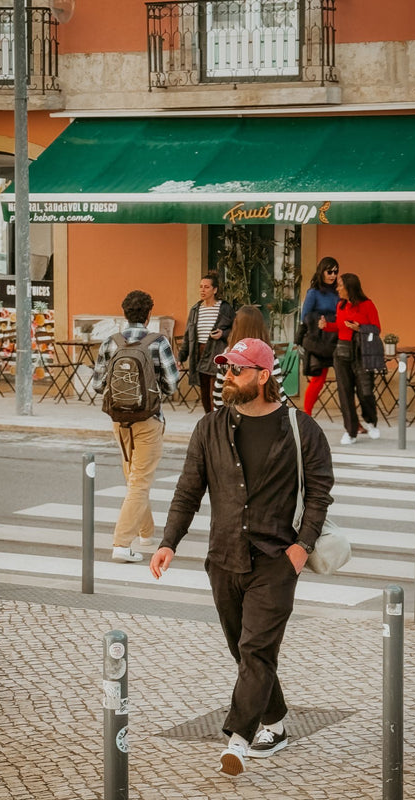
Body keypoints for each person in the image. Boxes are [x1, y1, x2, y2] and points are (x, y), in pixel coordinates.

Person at [150, 338, 333, 777]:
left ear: (264, 376)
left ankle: (238, 738)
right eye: (226, 369)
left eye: (237, 370)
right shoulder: (210, 427)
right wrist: (168, 541)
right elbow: (188, 490)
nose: (227, 377)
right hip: (224, 558)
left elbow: (320, 493)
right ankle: (276, 721)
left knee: (255, 647)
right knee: (246, 650)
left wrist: (300, 548)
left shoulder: (300, 428)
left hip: (276, 559)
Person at [92, 290, 178, 562]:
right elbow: (173, 385)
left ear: (124, 313)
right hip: (149, 420)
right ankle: (121, 544)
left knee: (135, 478)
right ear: (149, 314)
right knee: (140, 482)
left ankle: (146, 533)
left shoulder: (110, 342)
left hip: (119, 421)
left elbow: (97, 384)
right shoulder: (159, 342)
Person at [319, 273, 382, 445]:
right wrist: (327, 326)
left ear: (350, 288)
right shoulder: (340, 305)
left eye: (340, 285)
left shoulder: (367, 305)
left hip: (361, 353)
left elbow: (376, 329)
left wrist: (360, 327)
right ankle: (351, 431)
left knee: (366, 391)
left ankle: (371, 421)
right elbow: (340, 328)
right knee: (345, 393)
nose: (337, 288)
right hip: (342, 353)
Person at [177, 272, 235, 413]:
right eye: (201, 287)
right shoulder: (196, 310)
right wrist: (181, 358)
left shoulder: (225, 308)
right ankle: (209, 421)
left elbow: (235, 330)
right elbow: (188, 335)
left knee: (215, 392)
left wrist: (223, 334)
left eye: (206, 287)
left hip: (217, 352)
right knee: (204, 394)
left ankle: (217, 421)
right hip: (199, 354)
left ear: (215, 290)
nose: (202, 290)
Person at [212, 305, 286, 407]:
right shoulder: (268, 354)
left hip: (232, 413)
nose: (228, 375)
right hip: (264, 413)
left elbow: (218, 394)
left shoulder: (227, 354)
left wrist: (219, 418)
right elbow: (278, 391)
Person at [297, 257, 339, 416]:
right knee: (318, 380)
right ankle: (306, 414)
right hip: (318, 341)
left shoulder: (337, 293)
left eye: (335, 272)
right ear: (321, 272)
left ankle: (353, 423)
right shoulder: (313, 293)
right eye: (329, 271)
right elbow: (305, 317)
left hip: (335, 339)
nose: (333, 275)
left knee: (346, 380)